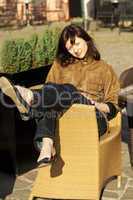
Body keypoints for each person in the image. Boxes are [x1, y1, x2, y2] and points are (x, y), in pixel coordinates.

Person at [0, 24, 120, 165]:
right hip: (64, 119)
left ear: (86, 39)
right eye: (69, 48)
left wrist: (95, 104)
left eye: (76, 44)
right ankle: (47, 144)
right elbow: (49, 90)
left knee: (69, 92)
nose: (75, 50)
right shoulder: (60, 65)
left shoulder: (104, 68)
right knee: (51, 98)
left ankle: (30, 100)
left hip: (95, 119)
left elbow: (113, 107)